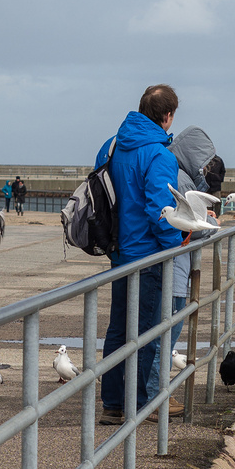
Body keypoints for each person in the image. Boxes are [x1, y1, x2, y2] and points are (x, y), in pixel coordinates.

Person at [96, 84, 184, 426]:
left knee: (119, 330)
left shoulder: (112, 145)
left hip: (119, 255)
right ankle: (142, 403)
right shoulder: (160, 155)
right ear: (167, 116)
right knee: (146, 332)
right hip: (148, 258)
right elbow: (159, 211)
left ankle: (113, 404)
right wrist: (176, 244)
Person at [145, 125, 219, 410]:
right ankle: (155, 397)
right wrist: (212, 224)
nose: (206, 167)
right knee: (167, 334)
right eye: (204, 161)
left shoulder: (175, 173)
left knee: (158, 333)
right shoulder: (183, 181)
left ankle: (151, 394)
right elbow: (191, 229)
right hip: (174, 269)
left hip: (170, 265)